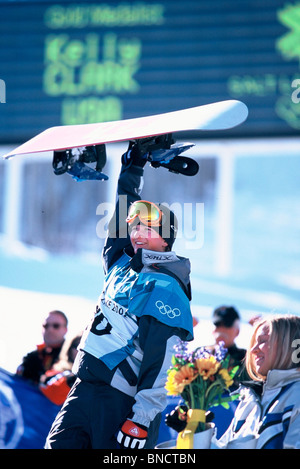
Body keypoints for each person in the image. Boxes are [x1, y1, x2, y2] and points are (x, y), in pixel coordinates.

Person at [45, 139, 194, 449]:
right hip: (83, 389)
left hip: (121, 402)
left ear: (166, 240)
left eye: (148, 228)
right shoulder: (120, 263)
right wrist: (133, 165)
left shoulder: (167, 288)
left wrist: (141, 417)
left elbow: (163, 361)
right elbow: (122, 208)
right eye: (135, 226)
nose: (137, 233)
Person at [213, 314, 300, 449]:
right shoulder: (249, 400)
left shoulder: (296, 396)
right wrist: (199, 428)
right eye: (254, 343)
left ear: (289, 345)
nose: (253, 350)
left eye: (263, 341)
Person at [16, 310, 68, 385]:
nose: (50, 329)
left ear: (65, 330)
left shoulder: (73, 357)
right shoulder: (31, 358)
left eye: (56, 326)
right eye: (46, 326)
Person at [39, 333, 82, 406]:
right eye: (78, 346)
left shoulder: (101, 376)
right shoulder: (57, 373)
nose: (81, 351)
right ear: (69, 348)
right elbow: (51, 393)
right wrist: (73, 379)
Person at [211, 305, 248, 385]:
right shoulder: (200, 353)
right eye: (218, 325)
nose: (221, 329)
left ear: (237, 331)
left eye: (227, 325)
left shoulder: (246, 358)